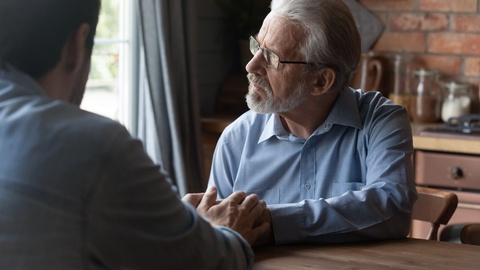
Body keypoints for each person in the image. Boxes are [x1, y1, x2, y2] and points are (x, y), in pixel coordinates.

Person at [0, 0, 269, 269]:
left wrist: (174, 221)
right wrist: (226, 234)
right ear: (76, 46)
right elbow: (211, 263)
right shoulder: (96, 147)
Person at [208, 0, 417, 245]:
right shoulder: (236, 139)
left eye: (271, 58)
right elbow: (219, 239)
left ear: (321, 81)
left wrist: (273, 221)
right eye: (257, 47)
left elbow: (392, 208)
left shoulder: (381, 121)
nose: (251, 65)